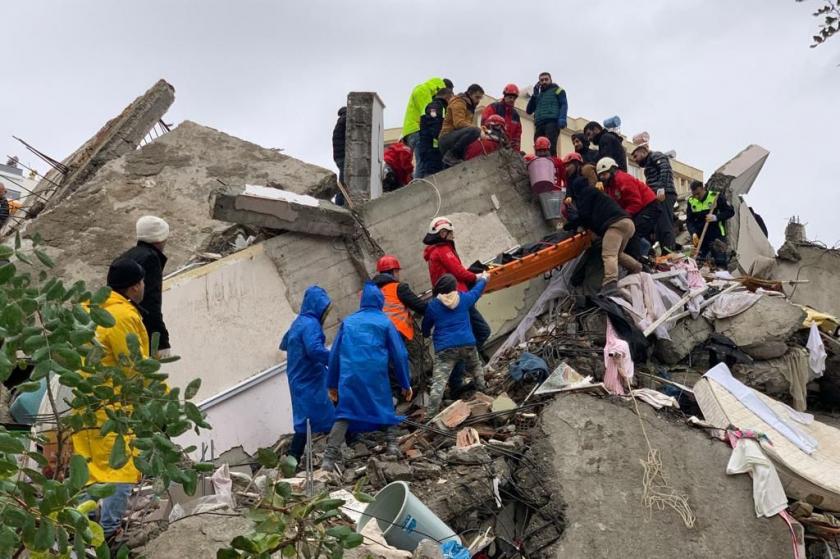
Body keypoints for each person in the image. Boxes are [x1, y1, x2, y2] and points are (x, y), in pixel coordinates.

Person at [72, 258, 148, 539]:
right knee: (121, 468)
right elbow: (133, 366)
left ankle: (79, 530)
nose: (144, 287)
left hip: (83, 402)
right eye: (141, 282)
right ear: (133, 287)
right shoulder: (122, 316)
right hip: (113, 405)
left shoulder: (88, 309)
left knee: (88, 469)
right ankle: (105, 532)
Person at [321, 282, 413, 471]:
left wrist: (332, 384)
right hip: (375, 375)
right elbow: (400, 354)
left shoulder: (348, 322)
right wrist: (405, 382)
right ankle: (392, 446)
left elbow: (335, 354)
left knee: (345, 412)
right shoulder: (385, 322)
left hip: (350, 376)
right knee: (384, 406)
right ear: (380, 301)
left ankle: (328, 460)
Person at [279, 286, 335, 465]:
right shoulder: (311, 325)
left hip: (298, 375)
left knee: (304, 418)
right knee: (331, 406)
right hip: (311, 376)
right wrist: (333, 360)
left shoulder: (299, 322)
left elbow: (285, 343)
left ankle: (293, 458)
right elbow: (314, 349)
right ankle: (349, 441)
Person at [422, 273, 489, 417]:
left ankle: (430, 415)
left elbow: (425, 329)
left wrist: (427, 333)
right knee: (476, 367)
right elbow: (476, 292)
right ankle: (484, 393)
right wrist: (483, 279)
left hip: (446, 350)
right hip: (467, 344)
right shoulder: (463, 298)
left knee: (438, 384)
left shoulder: (433, 306)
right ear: (454, 287)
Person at [563, 175, 642, 295]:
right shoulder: (598, 193)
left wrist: (571, 225)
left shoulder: (585, 194)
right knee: (617, 254)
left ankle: (610, 284)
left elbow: (584, 216)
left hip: (615, 225)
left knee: (608, 255)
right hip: (628, 223)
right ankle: (637, 267)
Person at [119, 216, 171, 356]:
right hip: (139, 329)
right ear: (160, 239)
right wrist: (161, 342)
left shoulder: (126, 256)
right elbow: (151, 302)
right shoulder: (151, 259)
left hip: (122, 323)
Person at [372, 255, 427, 383]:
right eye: (397, 272)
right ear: (394, 272)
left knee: (393, 365)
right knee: (402, 363)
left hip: (379, 335)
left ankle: (403, 391)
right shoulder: (399, 288)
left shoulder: (374, 292)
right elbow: (421, 306)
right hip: (396, 332)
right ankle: (409, 388)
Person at [596, 157, 661, 259]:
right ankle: (646, 254)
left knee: (633, 234)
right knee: (629, 232)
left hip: (649, 206)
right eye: (600, 175)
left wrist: (622, 217)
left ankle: (640, 262)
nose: (602, 178)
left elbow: (636, 203)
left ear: (612, 170)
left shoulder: (622, 179)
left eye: (604, 174)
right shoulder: (610, 186)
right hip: (640, 209)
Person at [402, 77, 454, 177]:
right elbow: (429, 116)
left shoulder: (424, 89)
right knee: (422, 164)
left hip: (411, 130)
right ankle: (418, 189)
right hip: (417, 130)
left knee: (420, 163)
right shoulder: (424, 92)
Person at [630, 144, 677, 251]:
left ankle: (669, 252)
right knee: (660, 225)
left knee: (665, 224)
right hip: (658, 195)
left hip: (664, 194)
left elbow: (665, 169)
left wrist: (661, 188)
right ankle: (666, 251)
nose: (635, 160)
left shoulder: (655, 156)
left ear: (643, 152)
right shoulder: (649, 162)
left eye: (636, 156)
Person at [686, 180, 735, 269]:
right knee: (698, 263)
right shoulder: (691, 201)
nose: (696, 197)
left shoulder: (715, 197)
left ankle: (722, 279)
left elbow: (730, 212)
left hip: (716, 235)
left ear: (703, 188)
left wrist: (716, 217)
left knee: (720, 262)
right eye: (694, 194)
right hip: (700, 237)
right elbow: (689, 221)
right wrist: (693, 233)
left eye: (698, 193)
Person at [439, 84, 485, 167]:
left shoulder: (469, 106)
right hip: (446, 138)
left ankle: (451, 158)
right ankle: (451, 155)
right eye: (477, 97)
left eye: (480, 98)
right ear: (470, 94)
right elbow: (459, 123)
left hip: (454, 139)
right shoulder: (459, 102)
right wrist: (478, 129)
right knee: (475, 131)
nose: (478, 101)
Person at [525, 72, 568, 156]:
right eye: (541, 80)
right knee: (538, 147)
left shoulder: (558, 90)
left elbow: (564, 104)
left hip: (552, 122)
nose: (544, 82)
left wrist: (562, 118)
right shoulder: (538, 95)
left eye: (546, 79)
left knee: (550, 147)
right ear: (539, 82)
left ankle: (552, 165)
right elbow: (528, 111)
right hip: (539, 124)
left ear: (550, 80)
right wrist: (534, 95)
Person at [416, 88, 453, 178]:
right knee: (431, 175)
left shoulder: (439, 107)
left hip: (432, 148)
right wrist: (441, 139)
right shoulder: (435, 106)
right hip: (431, 149)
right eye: (452, 98)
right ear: (447, 96)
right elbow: (434, 122)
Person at [481, 84, 523, 152]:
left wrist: (516, 152)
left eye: (514, 98)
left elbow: (517, 137)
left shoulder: (516, 116)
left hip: (508, 150)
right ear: (505, 96)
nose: (512, 100)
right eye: (510, 97)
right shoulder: (493, 108)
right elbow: (484, 125)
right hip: (492, 146)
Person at [332, 107, 347, 206]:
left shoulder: (339, 122)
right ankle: (339, 206)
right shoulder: (344, 120)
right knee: (342, 185)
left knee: (343, 182)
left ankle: (340, 204)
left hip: (339, 157)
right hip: (342, 157)